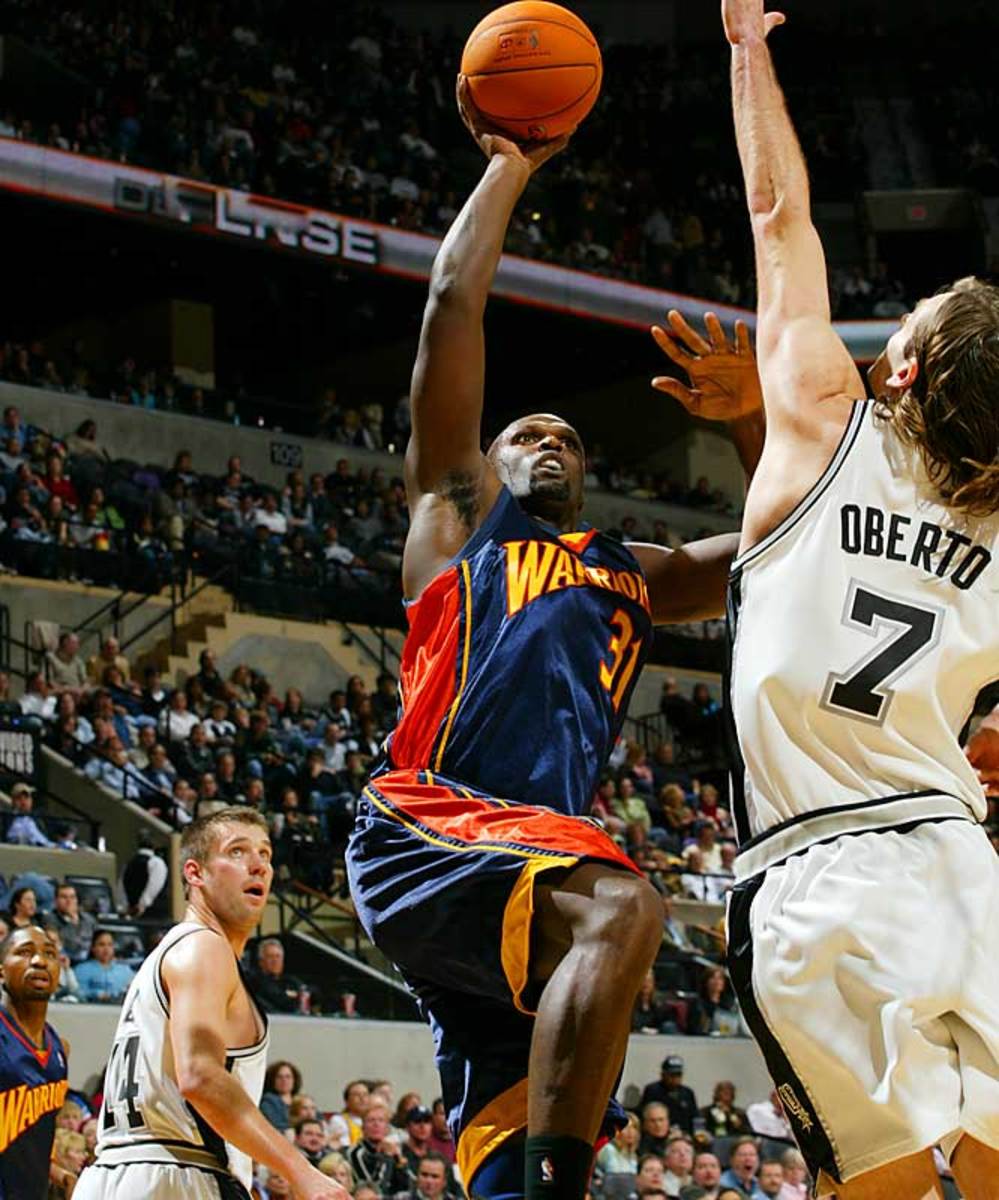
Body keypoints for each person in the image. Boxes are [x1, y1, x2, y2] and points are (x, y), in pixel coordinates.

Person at [346, 76, 766, 1200]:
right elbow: (450, 307)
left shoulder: (633, 572)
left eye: (567, 437)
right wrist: (511, 166)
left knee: (507, 1158)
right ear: (484, 465)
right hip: (432, 825)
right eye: (523, 432)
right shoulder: (454, 529)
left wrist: (749, 422)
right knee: (627, 905)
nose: (546, 441)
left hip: (532, 864)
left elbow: (790, 539)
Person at [721, 2, 999, 1196]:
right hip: (955, 863)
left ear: (906, 365)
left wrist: (747, 47)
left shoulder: (825, 417)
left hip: (811, 882)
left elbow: (780, 219)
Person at [75, 809, 344, 1200]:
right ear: (194, 873)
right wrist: (302, 1172)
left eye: (266, 854)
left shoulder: (170, 952)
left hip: (118, 1174)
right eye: (237, 852)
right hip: (176, 1173)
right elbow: (200, 1076)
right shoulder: (203, 947)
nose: (258, 866)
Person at [0, 925, 75, 1199]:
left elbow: (35, 1130)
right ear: (1, 969)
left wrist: (58, 1172)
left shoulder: (59, 1049)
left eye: (50, 953)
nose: (40, 961)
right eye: (24, 952)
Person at [639, 1057, 698, 1136]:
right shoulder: (653, 1091)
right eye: (672, 1075)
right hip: (658, 1136)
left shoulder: (687, 1093)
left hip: (684, 1136)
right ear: (663, 1074)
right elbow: (646, 1118)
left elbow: (695, 1117)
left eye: (678, 1075)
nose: (675, 1078)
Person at [73, 930, 135, 1003]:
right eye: (101, 944)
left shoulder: (125, 971)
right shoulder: (82, 969)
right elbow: (76, 992)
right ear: (93, 948)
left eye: (110, 944)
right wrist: (96, 994)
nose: (106, 949)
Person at [48, 883, 97, 965]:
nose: (69, 901)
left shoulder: (89, 920)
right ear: (56, 901)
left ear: (77, 900)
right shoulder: (50, 919)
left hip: (90, 963)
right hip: (65, 963)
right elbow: (57, 945)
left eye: (72, 897)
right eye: (64, 897)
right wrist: (73, 920)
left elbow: (99, 941)